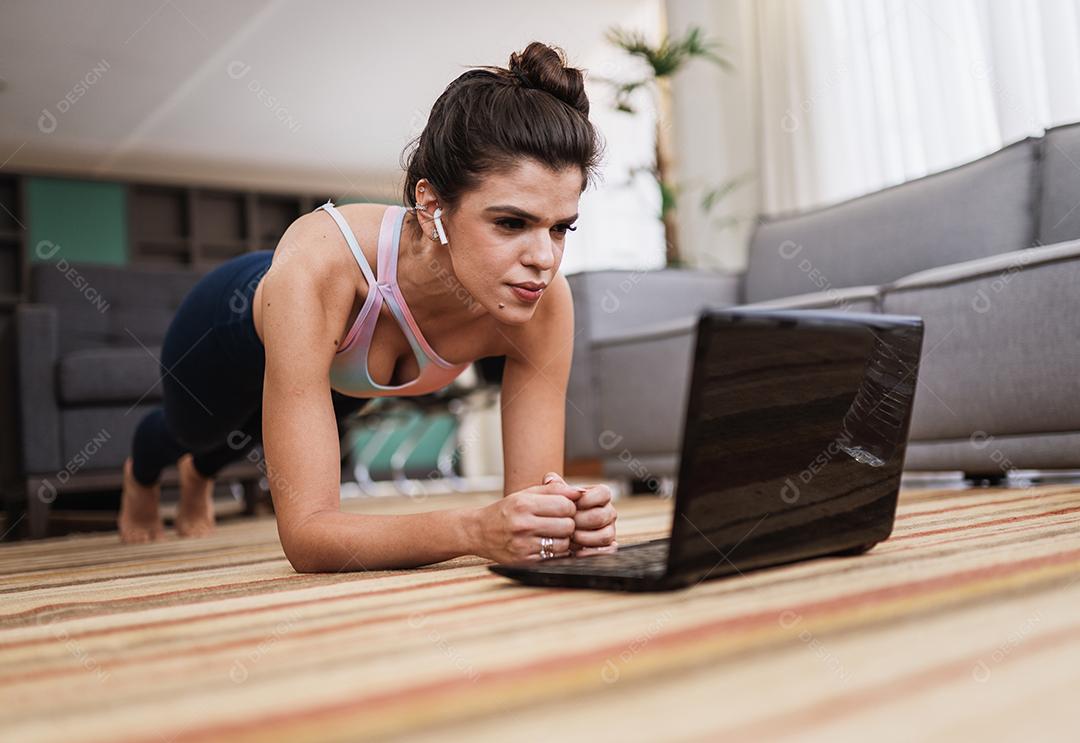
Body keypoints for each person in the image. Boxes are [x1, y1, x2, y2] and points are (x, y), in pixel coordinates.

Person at [119, 41, 619, 571]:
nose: (544, 259)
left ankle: (201, 474)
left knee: (248, 441)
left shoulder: (542, 304)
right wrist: (473, 528)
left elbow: (531, 507)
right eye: (511, 223)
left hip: (344, 369)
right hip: (231, 319)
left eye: (561, 227)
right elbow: (309, 539)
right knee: (195, 430)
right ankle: (142, 476)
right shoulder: (320, 270)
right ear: (431, 207)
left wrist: (560, 523)